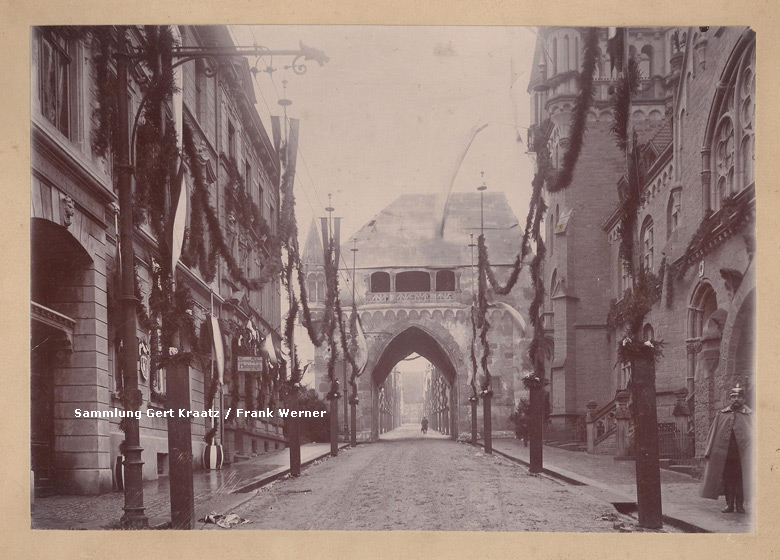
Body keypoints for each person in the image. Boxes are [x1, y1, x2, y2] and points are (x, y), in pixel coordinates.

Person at [700, 384, 753, 513]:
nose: (736, 399)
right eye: (733, 396)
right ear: (730, 399)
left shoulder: (750, 415)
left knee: (741, 480)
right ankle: (729, 505)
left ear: (744, 399)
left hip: (743, 455)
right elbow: (712, 434)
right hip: (726, 454)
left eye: (739, 396)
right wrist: (708, 452)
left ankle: (740, 505)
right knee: (728, 480)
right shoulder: (721, 415)